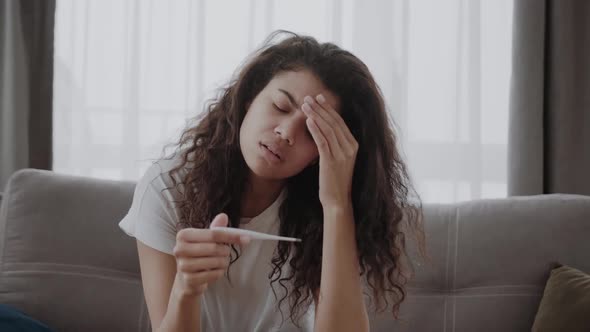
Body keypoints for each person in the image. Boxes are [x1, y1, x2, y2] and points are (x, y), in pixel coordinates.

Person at [119, 30, 426, 332]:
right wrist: (185, 288)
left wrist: (336, 205)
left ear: (323, 153)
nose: (286, 133)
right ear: (250, 97)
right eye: (280, 106)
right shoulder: (168, 188)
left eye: (311, 132)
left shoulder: (325, 207)